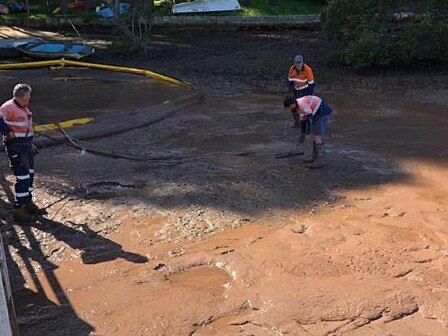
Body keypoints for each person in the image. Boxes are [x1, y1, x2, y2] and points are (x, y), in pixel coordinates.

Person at [0, 83, 47, 217]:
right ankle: (19, 208)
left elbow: (25, 128)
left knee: (30, 175)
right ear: (24, 96)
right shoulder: (8, 107)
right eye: (29, 95)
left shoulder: (24, 108)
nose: (30, 98)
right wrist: (7, 131)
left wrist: (30, 143)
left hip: (25, 146)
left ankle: (28, 202)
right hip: (16, 147)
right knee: (22, 176)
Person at [283, 95, 333, 168]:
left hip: (322, 112)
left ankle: (320, 161)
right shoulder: (298, 106)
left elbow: (309, 116)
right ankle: (314, 158)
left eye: (289, 107)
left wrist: (310, 129)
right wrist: (303, 134)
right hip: (316, 113)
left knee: (316, 135)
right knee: (314, 135)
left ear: (292, 103)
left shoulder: (301, 103)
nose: (289, 109)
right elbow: (303, 120)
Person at [287, 54, 315, 139]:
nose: (297, 64)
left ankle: (309, 128)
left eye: (299, 63)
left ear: (302, 62)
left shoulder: (307, 70)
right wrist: (291, 90)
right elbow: (290, 82)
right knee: (293, 107)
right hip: (296, 90)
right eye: (296, 63)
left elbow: (311, 85)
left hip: (305, 90)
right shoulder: (292, 69)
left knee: (305, 110)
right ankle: (297, 123)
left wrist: (308, 97)